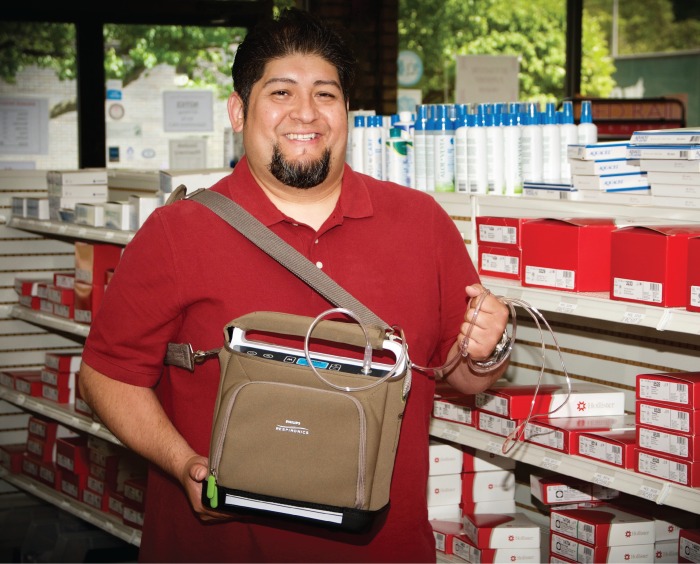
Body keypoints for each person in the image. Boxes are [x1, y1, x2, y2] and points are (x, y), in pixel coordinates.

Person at [78, 7, 510, 562]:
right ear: (239, 111)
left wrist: (489, 347)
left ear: (348, 111)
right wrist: (183, 464)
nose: (306, 113)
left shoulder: (420, 223)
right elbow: (105, 377)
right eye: (280, 92)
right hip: (218, 547)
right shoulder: (177, 232)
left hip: (383, 548)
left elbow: (463, 378)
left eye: (326, 95)